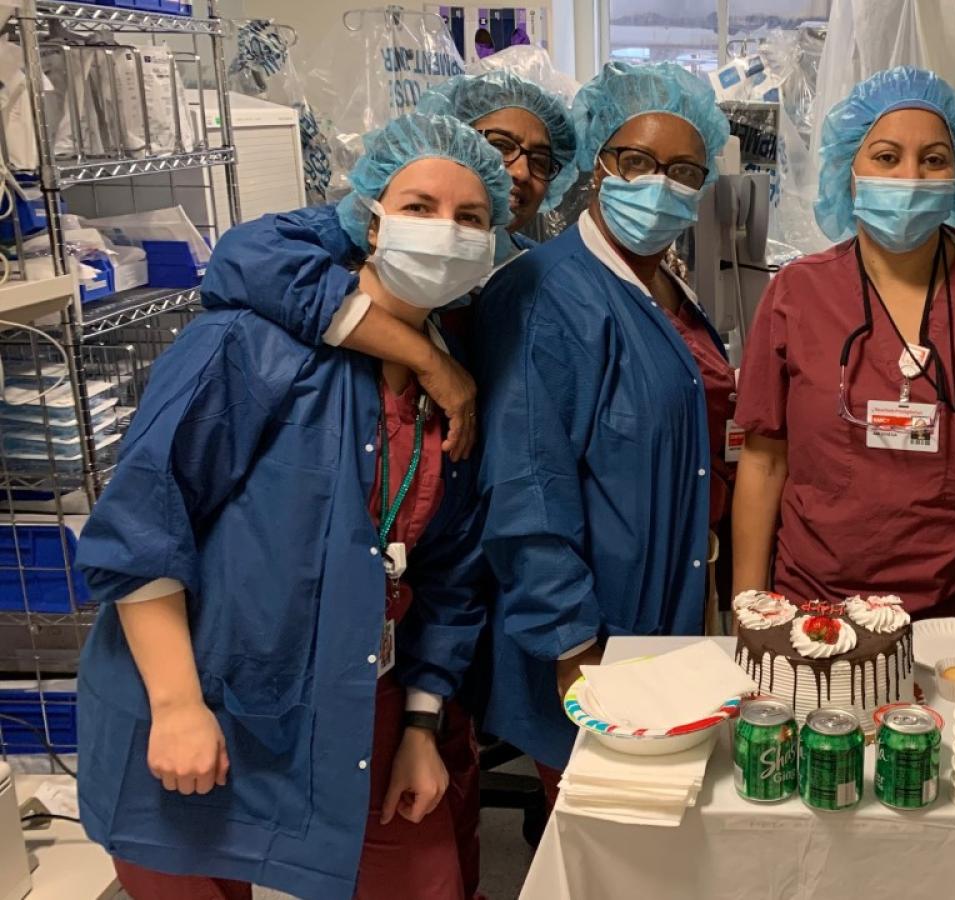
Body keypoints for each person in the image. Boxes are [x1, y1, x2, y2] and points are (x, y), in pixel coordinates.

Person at [73, 114, 509, 900]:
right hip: (199, 696)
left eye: (470, 218)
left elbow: (449, 573)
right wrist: (175, 706)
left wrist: (418, 725)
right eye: (419, 206)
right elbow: (140, 526)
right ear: (368, 219)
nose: (445, 231)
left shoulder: (458, 387)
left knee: (424, 879)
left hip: (356, 706)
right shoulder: (248, 346)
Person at [730, 67, 955, 689]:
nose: (909, 177)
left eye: (933, 159)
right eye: (886, 156)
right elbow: (764, 462)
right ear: (850, 167)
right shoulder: (798, 293)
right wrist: (748, 606)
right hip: (815, 616)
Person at [472, 60, 732, 797]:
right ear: (596, 167)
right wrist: (572, 646)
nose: (661, 184)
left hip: (665, 613)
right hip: (592, 636)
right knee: (605, 838)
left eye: (685, 170)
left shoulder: (658, 279)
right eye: (638, 161)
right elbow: (527, 486)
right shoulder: (542, 293)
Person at [201, 68, 578, 462]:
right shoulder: (366, 225)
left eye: (540, 161)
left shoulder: (529, 268)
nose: (520, 171)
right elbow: (248, 258)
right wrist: (427, 358)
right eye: (500, 145)